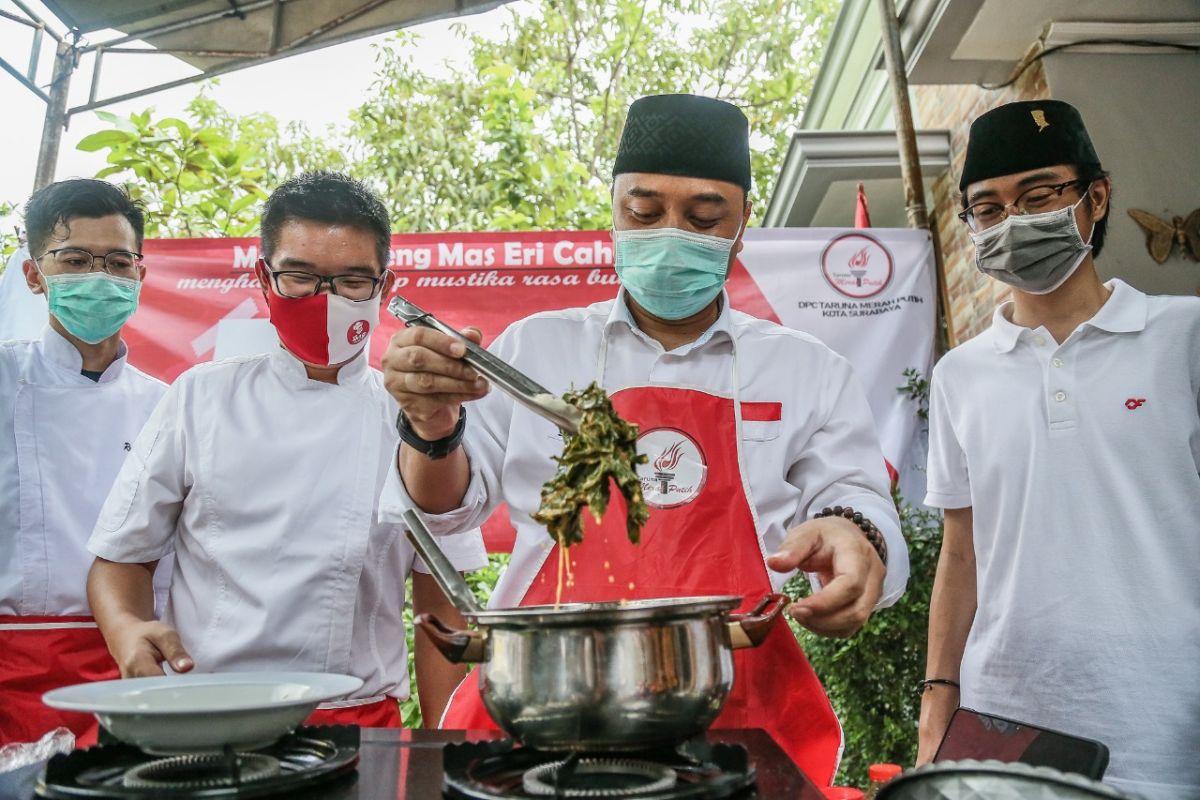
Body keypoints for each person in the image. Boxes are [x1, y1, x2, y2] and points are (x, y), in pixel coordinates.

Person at [378, 94, 909, 783]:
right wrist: (431, 426)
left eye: (704, 217)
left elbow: (855, 499)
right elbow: (445, 508)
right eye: (644, 211)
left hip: (737, 708)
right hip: (546, 703)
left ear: (742, 224)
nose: (670, 233)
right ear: (613, 210)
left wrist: (852, 534)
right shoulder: (537, 348)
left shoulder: (807, 369)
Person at [87, 172, 486, 728]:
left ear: (386, 287)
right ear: (264, 277)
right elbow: (120, 557)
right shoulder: (201, 397)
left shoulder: (418, 419)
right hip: (208, 712)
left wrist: (451, 743)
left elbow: (440, 602)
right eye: (299, 277)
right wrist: (127, 630)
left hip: (358, 721)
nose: (324, 299)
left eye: (351, 280)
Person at [919, 100, 1200, 799]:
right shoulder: (960, 375)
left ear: (1095, 197)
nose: (1014, 220)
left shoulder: (1185, 338)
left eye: (1039, 195)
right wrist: (938, 703)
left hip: (1168, 722)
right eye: (988, 207)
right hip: (1007, 727)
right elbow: (961, 554)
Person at [0, 179, 168, 746]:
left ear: (139, 277)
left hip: (135, 667)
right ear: (33, 274)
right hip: (11, 670)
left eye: (118, 262)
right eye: (75, 259)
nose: (100, 277)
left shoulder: (169, 405)